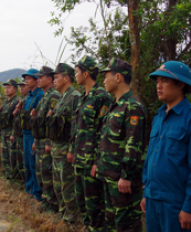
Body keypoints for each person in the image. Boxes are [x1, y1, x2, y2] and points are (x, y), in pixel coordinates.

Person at [141, 61, 191, 232]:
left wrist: (189, 206)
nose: (158, 86)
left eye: (164, 81)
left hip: (176, 204)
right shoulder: (159, 117)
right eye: (157, 81)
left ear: (180, 84)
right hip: (153, 200)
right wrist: (147, 192)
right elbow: (151, 157)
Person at [96, 58, 146, 232]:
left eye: (106, 76)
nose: (103, 81)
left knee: (127, 226)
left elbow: (134, 145)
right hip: (109, 178)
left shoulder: (133, 106)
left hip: (122, 181)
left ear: (118, 77)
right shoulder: (114, 106)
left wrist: (126, 175)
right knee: (111, 224)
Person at [72, 55, 111, 231]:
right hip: (79, 159)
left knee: (94, 204)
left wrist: (97, 161)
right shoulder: (82, 97)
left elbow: (103, 132)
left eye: (77, 72)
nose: (75, 75)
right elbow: (78, 129)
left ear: (86, 74)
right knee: (81, 201)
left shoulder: (101, 96)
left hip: (91, 161)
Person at [46, 63, 81, 224]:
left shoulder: (74, 97)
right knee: (58, 187)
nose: (54, 81)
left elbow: (76, 127)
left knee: (68, 188)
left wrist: (71, 150)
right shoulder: (62, 98)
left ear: (66, 78)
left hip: (65, 151)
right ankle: (63, 215)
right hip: (56, 151)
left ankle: (71, 220)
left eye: (56, 77)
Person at [30, 66, 61, 212]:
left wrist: (48, 142)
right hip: (40, 141)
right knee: (41, 174)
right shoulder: (44, 96)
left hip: (47, 143)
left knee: (48, 175)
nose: (38, 80)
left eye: (41, 77)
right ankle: (46, 200)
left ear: (50, 79)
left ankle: (52, 204)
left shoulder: (54, 96)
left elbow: (53, 123)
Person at [20, 68, 44, 201]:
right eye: (25, 79)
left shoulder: (39, 95)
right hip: (25, 133)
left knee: (34, 164)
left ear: (36, 80)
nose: (26, 81)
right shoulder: (28, 95)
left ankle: (37, 192)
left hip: (32, 134)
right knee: (28, 163)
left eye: (29, 79)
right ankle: (29, 188)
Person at [0, 79, 21, 179]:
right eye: (5, 88)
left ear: (15, 89)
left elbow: (17, 120)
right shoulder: (6, 102)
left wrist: (13, 134)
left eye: (9, 87)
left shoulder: (17, 101)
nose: (6, 90)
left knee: (13, 157)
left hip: (11, 133)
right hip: (4, 132)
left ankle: (14, 177)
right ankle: (8, 177)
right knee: (5, 157)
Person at [10, 78, 30, 180]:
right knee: (19, 161)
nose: (21, 88)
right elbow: (16, 120)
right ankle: (22, 182)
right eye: (20, 86)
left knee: (25, 162)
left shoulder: (28, 100)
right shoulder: (23, 100)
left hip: (25, 136)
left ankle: (26, 183)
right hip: (19, 135)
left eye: (24, 86)